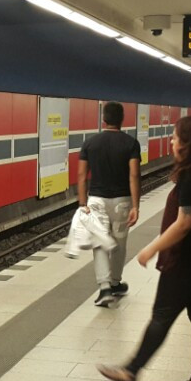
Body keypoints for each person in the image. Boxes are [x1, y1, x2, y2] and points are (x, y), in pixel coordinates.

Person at [97, 115, 191, 381]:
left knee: (162, 315)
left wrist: (151, 248)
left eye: (175, 137)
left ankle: (130, 371)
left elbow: (184, 224)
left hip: (188, 262)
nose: (171, 142)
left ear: (189, 143)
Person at [78, 101, 141, 307]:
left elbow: (81, 176)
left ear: (103, 119)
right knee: (120, 244)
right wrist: (135, 206)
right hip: (122, 201)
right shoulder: (131, 143)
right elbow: (134, 175)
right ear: (122, 120)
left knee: (100, 244)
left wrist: (82, 204)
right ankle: (115, 283)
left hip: (96, 201)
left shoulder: (90, 143)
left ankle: (104, 288)